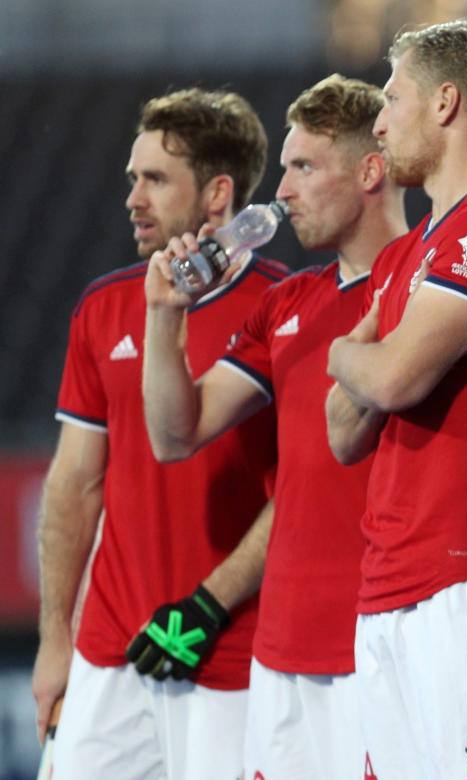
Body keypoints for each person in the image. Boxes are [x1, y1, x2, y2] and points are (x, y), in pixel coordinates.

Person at [142, 74, 406, 779]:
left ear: (370, 170)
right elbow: (176, 435)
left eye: (304, 168)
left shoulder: (432, 286)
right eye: (284, 168)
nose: (281, 192)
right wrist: (165, 314)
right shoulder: (290, 302)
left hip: (384, 640)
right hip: (283, 648)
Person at [322, 19, 467, 779]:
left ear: (446, 102)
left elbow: (389, 381)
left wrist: (344, 351)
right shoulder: (407, 253)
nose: (380, 121)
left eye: (393, 98)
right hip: (394, 580)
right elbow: (341, 430)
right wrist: (371, 360)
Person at [32, 88, 286, 780]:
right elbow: (74, 486)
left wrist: (210, 606)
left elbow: (300, 492)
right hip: (109, 651)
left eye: (154, 180)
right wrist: (58, 643)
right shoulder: (104, 307)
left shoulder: (285, 307)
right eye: (131, 179)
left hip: (232, 656)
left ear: (217, 194)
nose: (133, 199)